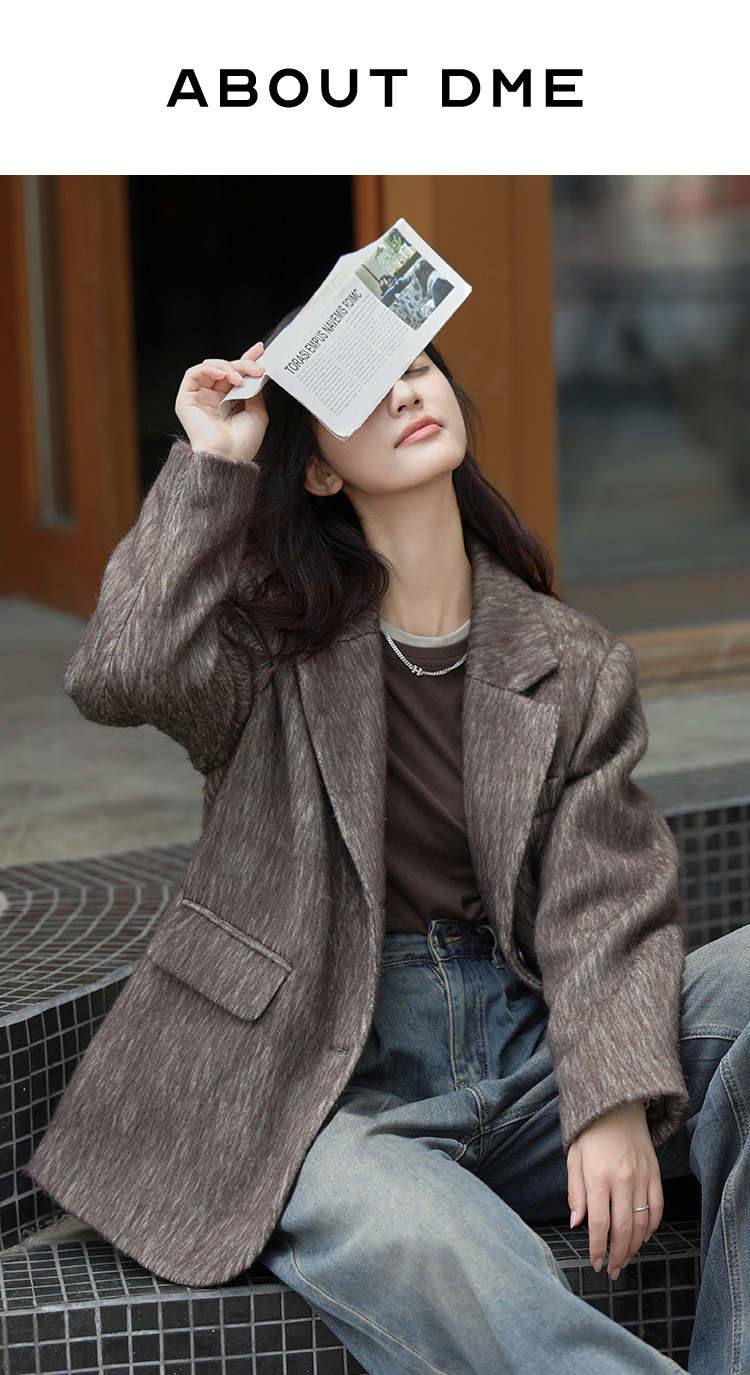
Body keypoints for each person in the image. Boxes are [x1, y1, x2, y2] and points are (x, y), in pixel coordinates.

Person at [29, 333, 749, 1375]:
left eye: (417, 368)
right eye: (364, 391)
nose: (406, 391)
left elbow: (606, 897)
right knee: (421, 1236)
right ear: (320, 469)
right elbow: (120, 672)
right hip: (322, 1083)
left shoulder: (573, 659)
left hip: (529, 1050)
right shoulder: (265, 648)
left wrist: (613, 1093)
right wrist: (213, 463)